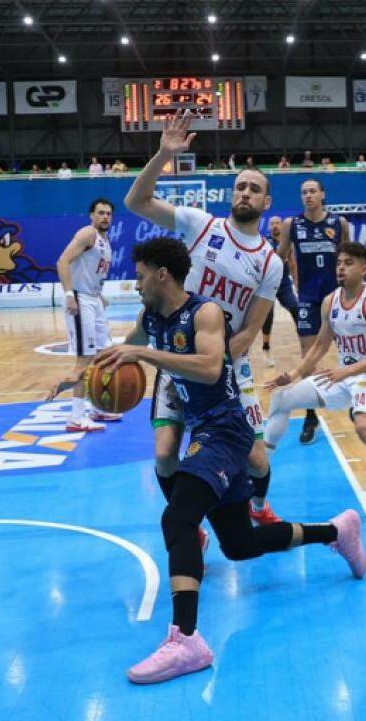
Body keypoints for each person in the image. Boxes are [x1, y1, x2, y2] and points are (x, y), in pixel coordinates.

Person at [94, 238, 365, 685]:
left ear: (162, 273)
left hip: (224, 429)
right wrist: (80, 377)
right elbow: (120, 353)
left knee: (179, 518)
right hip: (206, 430)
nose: (136, 282)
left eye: (141, 274)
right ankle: (338, 531)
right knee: (239, 544)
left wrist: (143, 353)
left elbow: (209, 369)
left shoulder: (205, 312)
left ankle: (185, 639)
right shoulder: (150, 317)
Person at [124, 110, 283, 527]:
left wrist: (214, 365)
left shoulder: (269, 262)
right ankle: (189, 527)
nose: (245, 193)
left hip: (227, 364)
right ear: (232, 194)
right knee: (164, 454)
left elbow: (251, 327)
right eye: (240, 187)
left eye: (254, 189)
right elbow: (136, 202)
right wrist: (162, 155)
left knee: (257, 459)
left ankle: (258, 506)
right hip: (177, 355)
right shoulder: (201, 225)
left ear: (266, 202)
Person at [265, 242, 366, 527]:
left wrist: (346, 371)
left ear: (363, 268)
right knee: (282, 399)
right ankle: (256, 481)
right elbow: (319, 346)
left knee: (365, 428)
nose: (341, 267)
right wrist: (293, 374)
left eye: (349, 262)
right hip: (343, 375)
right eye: (339, 262)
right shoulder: (331, 301)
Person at [276, 179, 351, 446]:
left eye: (312, 191)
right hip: (308, 298)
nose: (308, 196)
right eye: (303, 192)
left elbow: (348, 259)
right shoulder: (292, 225)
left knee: (352, 351)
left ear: (322, 194)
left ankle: (357, 398)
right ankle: (310, 415)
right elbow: (279, 258)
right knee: (308, 357)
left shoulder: (339, 224)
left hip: (337, 297)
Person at [48, 198, 119, 432]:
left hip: (93, 299)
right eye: (101, 213)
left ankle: (97, 406)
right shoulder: (88, 234)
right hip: (80, 300)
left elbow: (91, 273)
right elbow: (63, 261)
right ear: (91, 215)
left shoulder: (105, 241)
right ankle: (76, 417)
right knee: (85, 359)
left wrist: (99, 296)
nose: (105, 217)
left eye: (109, 213)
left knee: (103, 355)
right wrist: (70, 294)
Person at [261, 215, 301, 367]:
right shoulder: (263, 242)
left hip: (284, 283)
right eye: (272, 223)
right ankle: (266, 348)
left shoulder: (287, 243)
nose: (275, 226)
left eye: (278, 223)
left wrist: (296, 282)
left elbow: (292, 264)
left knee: (296, 309)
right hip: (267, 284)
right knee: (268, 316)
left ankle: (304, 343)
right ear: (269, 226)